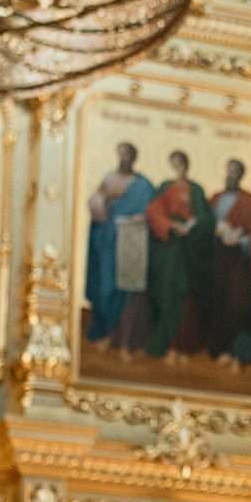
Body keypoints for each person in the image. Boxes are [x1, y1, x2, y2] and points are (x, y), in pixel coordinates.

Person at [142, 150, 215, 361]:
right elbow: (153, 211)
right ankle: (168, 346)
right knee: (168, 295)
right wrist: (172, 225)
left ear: (187, 165)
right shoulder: (165, 187)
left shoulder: (197, 189)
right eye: (174, 164)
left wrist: (193, 227)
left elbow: (207, 220)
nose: (178, 168)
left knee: (186, 297)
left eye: (181, 163)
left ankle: (182, 347)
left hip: (190, 250)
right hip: (169, 248)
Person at [84, 140, 154, 349]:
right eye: (121, 154)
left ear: (134, 158)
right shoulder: (109, 178)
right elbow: (94, 205)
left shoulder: (143, 184)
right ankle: (107, 332)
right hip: (106, 243)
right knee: (105, 288)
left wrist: (141, 218)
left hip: (131, 243)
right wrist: (107, 196)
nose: (124, 158)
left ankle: (124, 339)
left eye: (128, 155)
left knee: (127, 292)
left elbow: (152, 212)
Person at [205, 157, 251, 369]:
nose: (231, 174)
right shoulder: (215, 198)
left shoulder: (248, 199)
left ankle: (239, 354)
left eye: (235, 171)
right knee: (220, 304)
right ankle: (224, 349)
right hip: (217, 260)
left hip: (239, 263)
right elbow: (205, 223)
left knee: (239, 305)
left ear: (241, 175)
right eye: (229, 170)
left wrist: (242, 239)